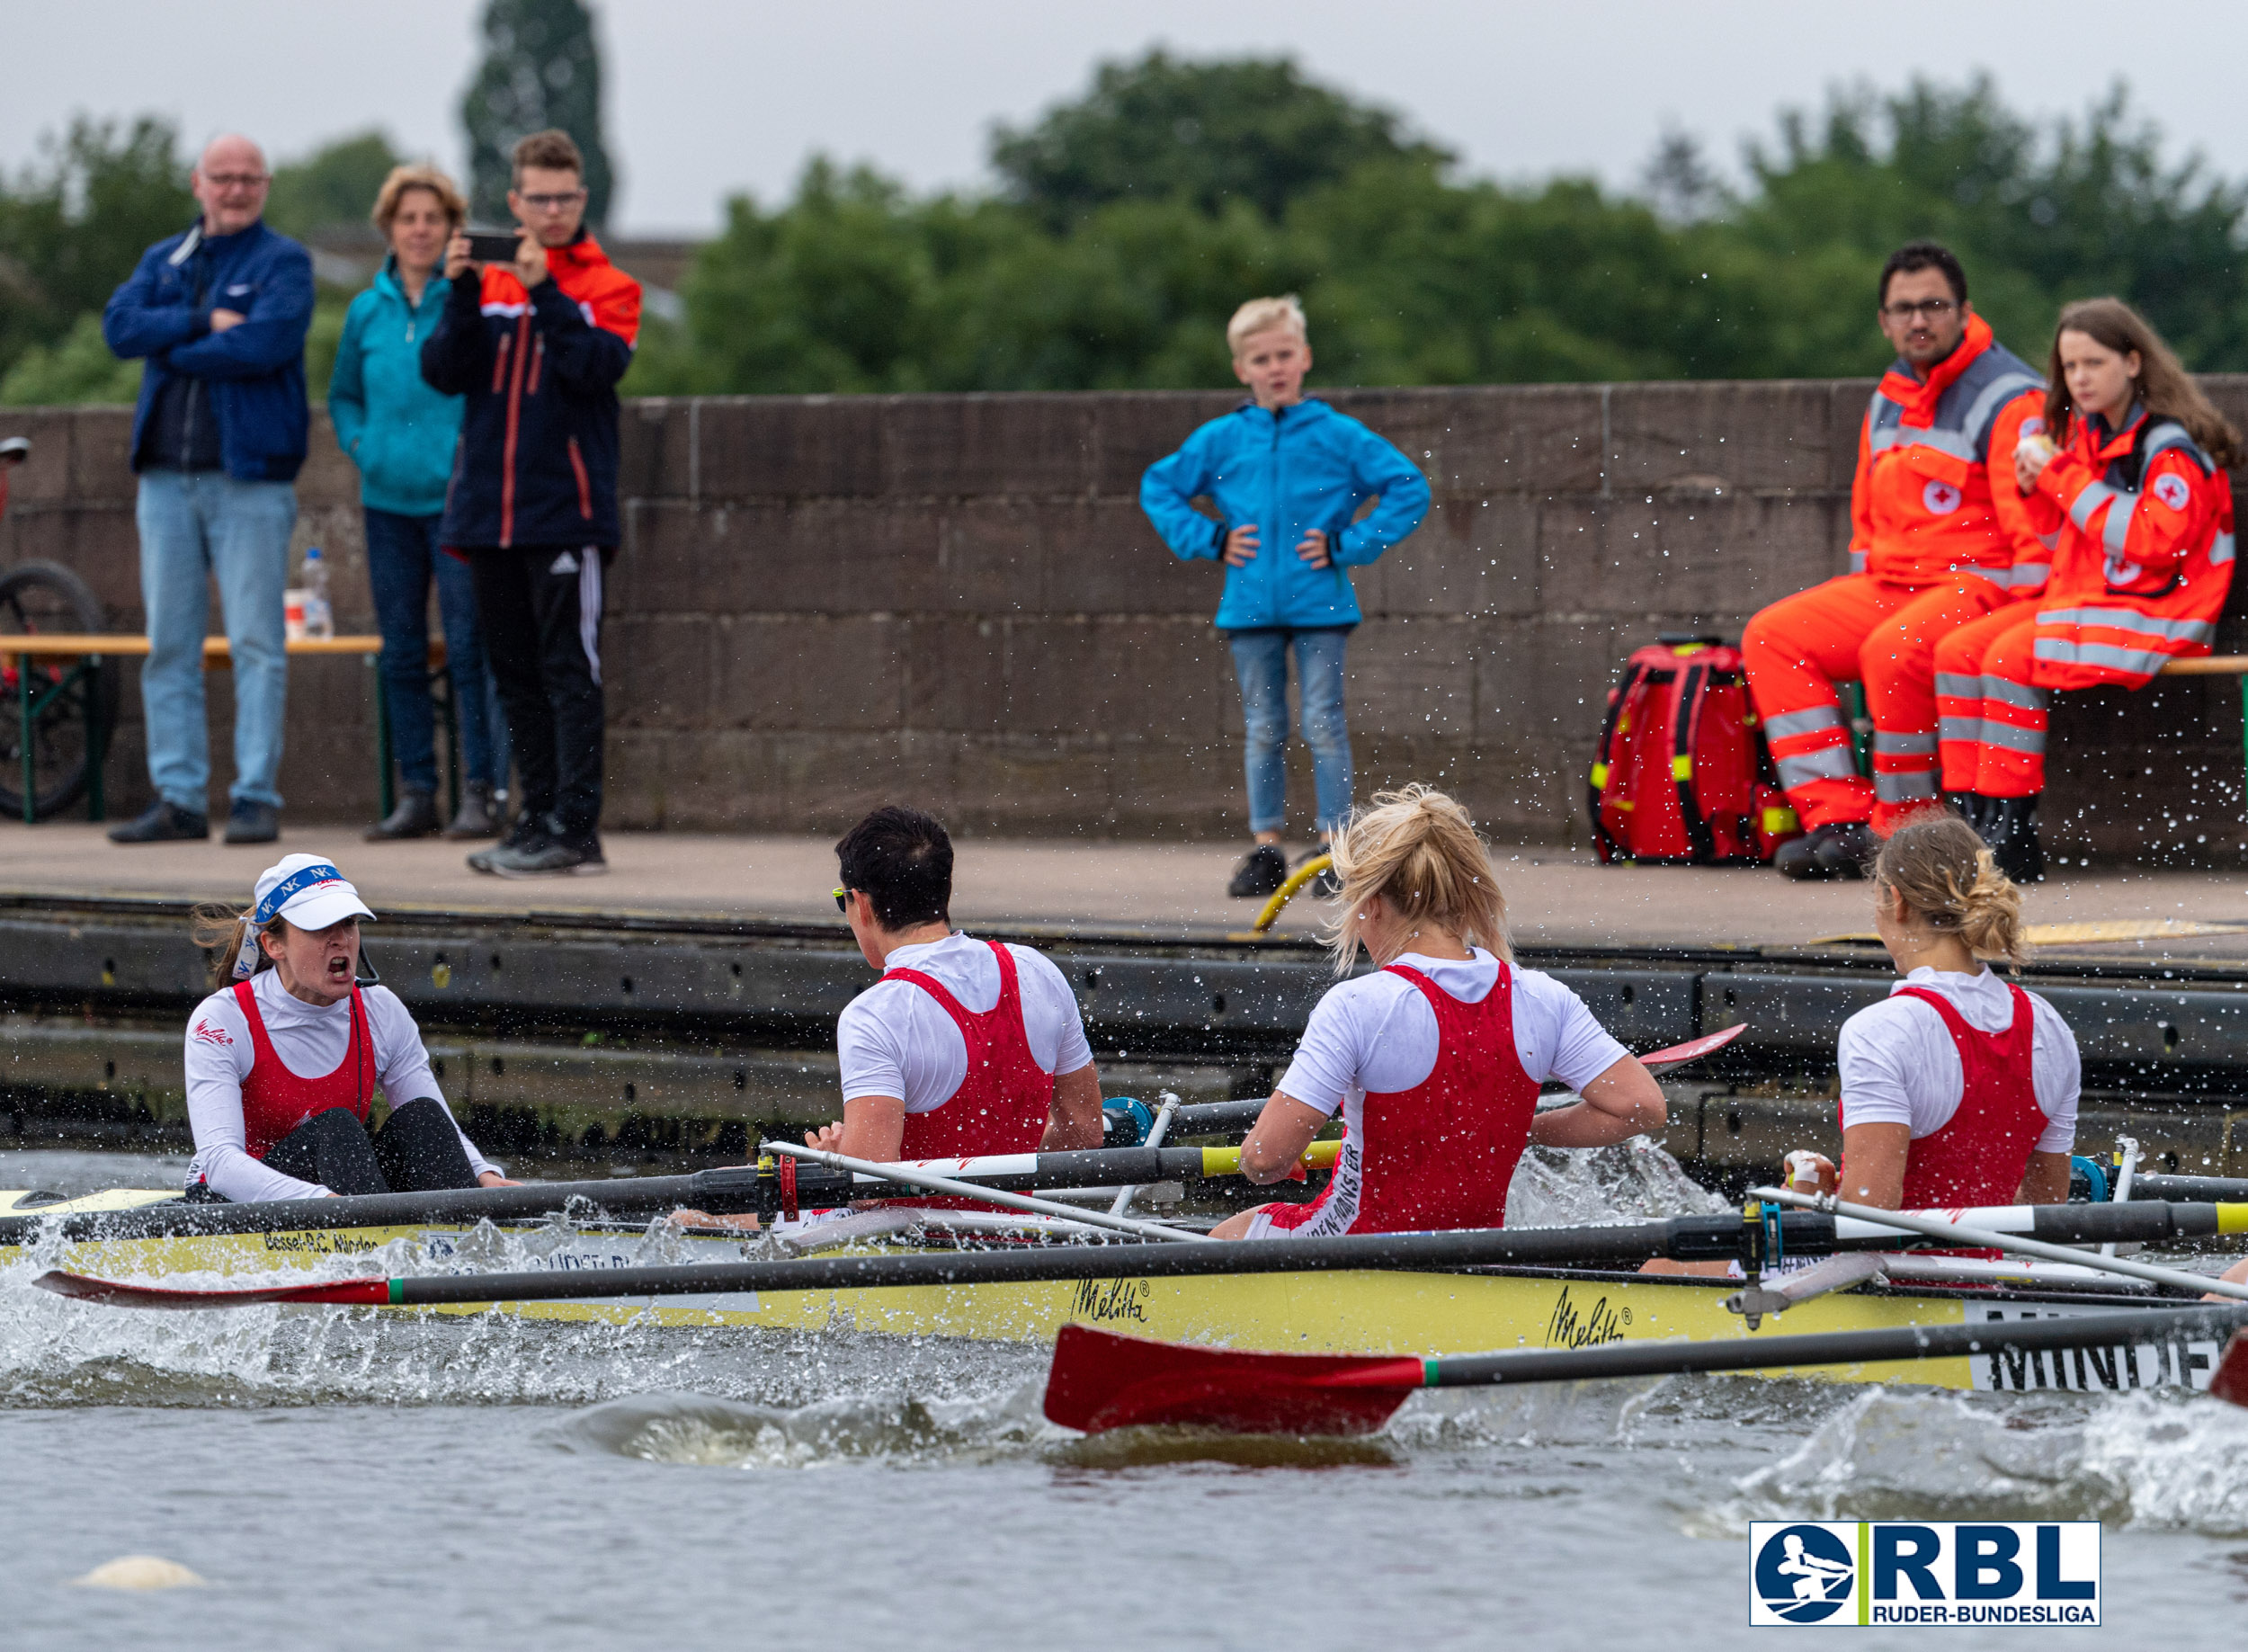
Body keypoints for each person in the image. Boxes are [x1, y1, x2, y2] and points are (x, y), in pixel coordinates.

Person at [1212, 785, 1667, 1240]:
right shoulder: (1543, 998)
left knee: (1227, 1236)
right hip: (1471, 1259)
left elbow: (1264, 1160)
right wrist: (1519, 1129)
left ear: (1370, 904)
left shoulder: (1357, 1006)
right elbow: (1640, 1108)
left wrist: (1266, 1155)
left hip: (1351, 1252)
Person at [1744, 242, 2047, 880]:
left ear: (1965, 311)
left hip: (1980, 584)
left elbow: (2032, 527)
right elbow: (1867, 516)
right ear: (1883, 320)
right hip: (1893, 583)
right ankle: (1838, 821)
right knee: (1772, 636)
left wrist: (2021, 614)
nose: (1918, 321)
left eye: (1933, 306)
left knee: (1892, 648)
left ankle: (1905, 825)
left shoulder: (2010, 398)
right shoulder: (1889, 396)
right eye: (1903, 309)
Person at [672, 807, 1105, 1229]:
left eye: (843, 900)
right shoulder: (1037, 972)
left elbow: (869, 1187)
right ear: (942, 892)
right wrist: (1002, 1163)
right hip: (1020, 1237)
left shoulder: (877, 1014)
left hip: (905, 1248)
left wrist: (838, 1157)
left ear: (861, 904)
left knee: (690, 1219)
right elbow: (1084, 1134)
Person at [1934, 298, 2241, 883]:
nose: (2078, 378)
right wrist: (2035, 489)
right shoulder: (2088, 438)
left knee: (2009, 658)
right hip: (2096, 602)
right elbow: (2067, 539)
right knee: (1956, 653)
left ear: (2132, 363)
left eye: (2093, 363)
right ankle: (1968, 824)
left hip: (2165, 614)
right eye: (2069, 367)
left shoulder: (2167, 446)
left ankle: (2013, 836)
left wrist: (2060, 478)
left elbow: (2152, 542)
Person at [1140, 295, 1431, 900]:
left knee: (1323, 721)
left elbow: (1409, 486)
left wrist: (1350, 543)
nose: (1274, 366)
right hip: (1249, 604)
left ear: (1304, 358)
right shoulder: (1223, 438)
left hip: (1319, 599)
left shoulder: (1337, 434)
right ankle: (1266, 845)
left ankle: (1334, 843)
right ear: (1241, 368)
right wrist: (1210, 537)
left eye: (1283, 354)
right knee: (1264, 726)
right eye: (1260, 358)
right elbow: (1160, 485)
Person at [421, 129, 640, 878]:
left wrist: (546, 290)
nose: (551, 210)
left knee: (568, 672)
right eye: (537, 198)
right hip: (489, 514)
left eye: (564, 197)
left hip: (565, 513)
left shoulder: (608, 286)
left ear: (582, 198)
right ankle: (534, 819)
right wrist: (455, 288)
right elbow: (445, 372)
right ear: (514, 201)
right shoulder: (487, 282)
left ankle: (577, 831)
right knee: (512, 673)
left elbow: (592, 368)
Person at [101, 134, 313, 848]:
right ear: (199, 183)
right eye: (223, 177)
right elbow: (119, 327)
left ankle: (255, 795)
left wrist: (173, 348)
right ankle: (180, 799)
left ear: (267, 184)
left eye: (249, 177)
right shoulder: (167, 259)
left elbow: (265, 345)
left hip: (248, 479)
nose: (235, 188)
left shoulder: (284, 261)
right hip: (165, 478)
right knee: (170, 645)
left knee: (257, 641)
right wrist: (197, 321)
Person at [331, 165, 511, 844]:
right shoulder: (365, 310)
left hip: (457, 501)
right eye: (408, 218)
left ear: (450, 229)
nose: (420, 230)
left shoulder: (468, 297)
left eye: (432, 219)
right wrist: (360, 443)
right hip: (386, 502)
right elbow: (343, 391)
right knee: (402, 650)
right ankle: (416, 792)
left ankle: (479, 793)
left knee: (469, 648)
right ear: (389, 227)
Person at [1778, 815, 2078, 1211]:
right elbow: (2045, 1210)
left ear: (1895, 901)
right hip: (1993, 1271)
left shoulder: (1880, 1031)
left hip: (1895, 1273)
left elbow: (1868, 1218)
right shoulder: (2048, 1026)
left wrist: (1805, 1201)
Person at [183, 853, 513, 1201]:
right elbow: (221, 1164)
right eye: (320, 927)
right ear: (273, 945)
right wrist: (323, 1203)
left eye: (349, 922)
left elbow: (437, 1123)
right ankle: (375, 1239)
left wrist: (483, 1175)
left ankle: (462, 1234)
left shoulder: (380, 1010)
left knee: (423, 1118)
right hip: (226, 1200)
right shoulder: (222, 1020)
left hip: (342, 1201)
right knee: (336, 1128)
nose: (341, 940)